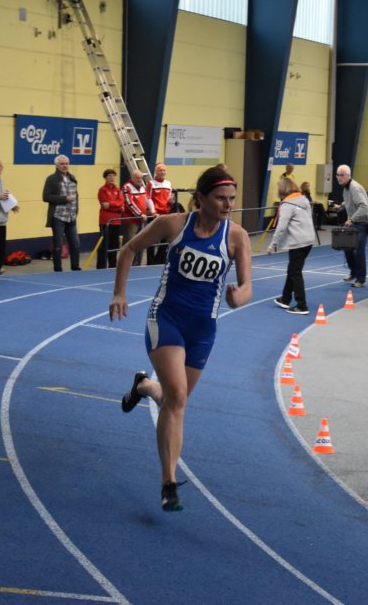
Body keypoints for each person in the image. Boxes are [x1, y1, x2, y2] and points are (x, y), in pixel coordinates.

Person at [114, 165, 252, 511]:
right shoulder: (172, 225)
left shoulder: (237, 237)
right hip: (167, 318)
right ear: (200, 198)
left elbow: (248, 286)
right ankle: (169, 483)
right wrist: (119, 293)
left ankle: (144, 386)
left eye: (232, 198)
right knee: (177, 396)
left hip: (203, 329)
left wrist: (239, 297)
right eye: (220, 198)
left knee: (174, 400)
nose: (228, 205)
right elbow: (128, 250)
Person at [266, 178, 315, 314]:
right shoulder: (303, 200)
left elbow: (281, 227)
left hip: (298, 242)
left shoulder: (287, 204)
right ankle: (285, 299)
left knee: (295, 273)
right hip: (308, 240)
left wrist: (273, 245)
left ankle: (301, 305)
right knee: (293, 270)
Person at [334, 164, 368, 288]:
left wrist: (351, 219)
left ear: (348, 176)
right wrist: (341, 206)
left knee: (359, 250)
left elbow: (364, 206)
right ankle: (353, 272)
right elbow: (350, 201)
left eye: (342, 175)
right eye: (337, 175)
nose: (339, 177)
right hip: (355, 221)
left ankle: (361, 279)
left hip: (364, 222)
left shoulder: (354, 188)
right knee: (347, 247)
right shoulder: (346, 188)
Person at [42, 154, 81, 272]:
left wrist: (76, 210)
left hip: (71, 217)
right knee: (58, 245)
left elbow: (76, 195)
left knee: (75, 244)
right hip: (58, 216)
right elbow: (46, 197)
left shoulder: (72, 178)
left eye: (66, 163)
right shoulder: (51, 179)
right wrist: (64, 199)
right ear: (56, 166)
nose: (65, 166)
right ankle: (58, 270)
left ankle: (75, 267)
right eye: (62, 164)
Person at [122, 169, 154, 266]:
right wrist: (140, 214)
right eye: (137, 178)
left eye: (141, 178)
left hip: (142, 221)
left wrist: (151, 211)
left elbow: (147, 200)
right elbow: (129, 203)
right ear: (132, 177)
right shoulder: (127, 187)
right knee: (130, 243)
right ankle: (126, 264)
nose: (140, 180)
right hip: (131, 221)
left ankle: (137, 264)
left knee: (141, 243)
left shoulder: (143, 187)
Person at [97, 168, 125, 269]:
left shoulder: (118, 190)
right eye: (109, 176)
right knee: (104, 245)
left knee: (114, 245)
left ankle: (113, 266)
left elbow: (121, 202)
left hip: (116, 221)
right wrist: (117, 207)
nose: (112, 177)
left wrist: (110, 204)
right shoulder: (102, 190)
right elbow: (104, 205)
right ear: (105, 178)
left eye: (113, 175)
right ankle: (101, 267)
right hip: (106, 222)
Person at [148, 163, 174, 265]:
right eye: (160, 170)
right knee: (151, 239)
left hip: (166, 215)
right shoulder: (151, 183)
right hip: (155, 216)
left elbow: (169, 198)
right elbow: (148, 198)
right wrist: (153, 212)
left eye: (164, 170)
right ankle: (150, 262)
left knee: (165, 239)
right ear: (156, 172)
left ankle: (159, 260)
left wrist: (171, 201)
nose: (162, 172)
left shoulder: (168, 183)